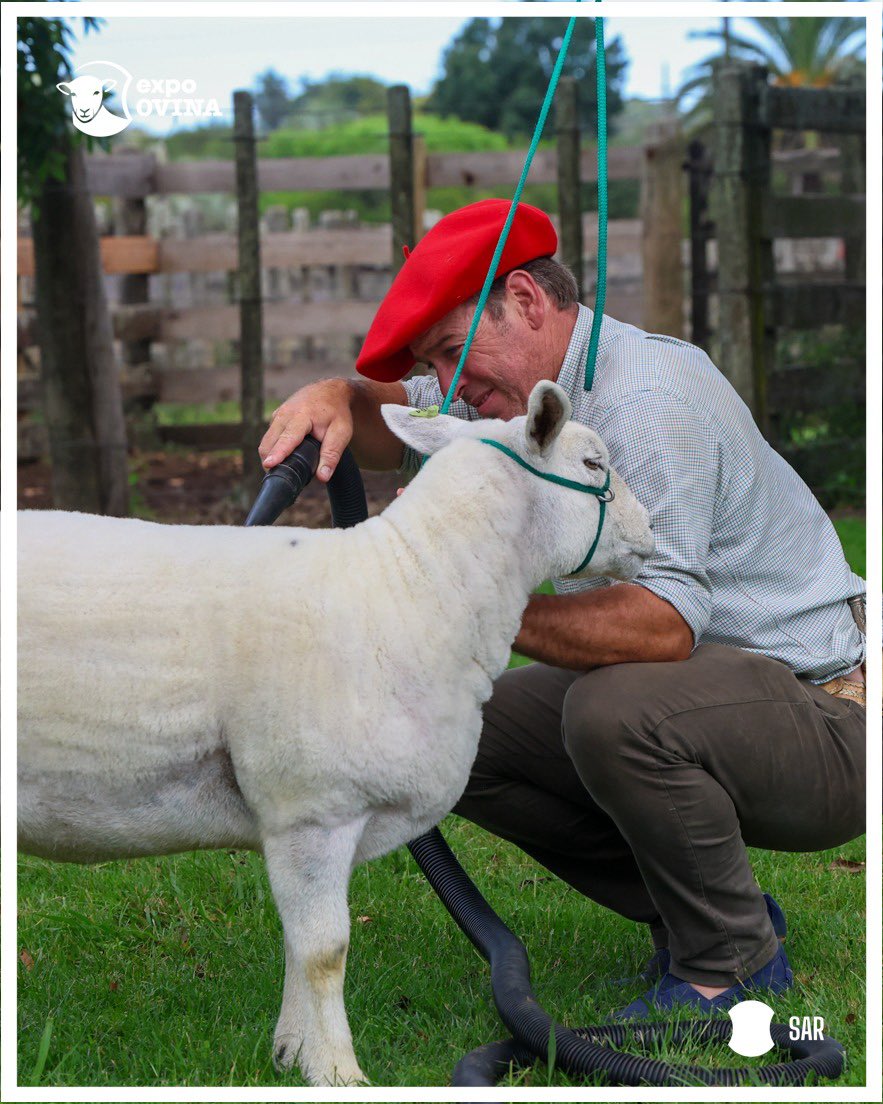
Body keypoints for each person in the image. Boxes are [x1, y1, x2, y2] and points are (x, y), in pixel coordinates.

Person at [259, 199, 866, 1016]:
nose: (447, 386)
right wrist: (336, 395)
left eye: (449, 352)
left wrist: (470, 598)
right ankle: (708, 915)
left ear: (526, 301)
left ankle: (729, 969)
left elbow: (662, 625)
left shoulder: (646, 400)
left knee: (615, 709)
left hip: (827, 715)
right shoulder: (510, 393)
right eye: (436, 365)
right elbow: (396, 418)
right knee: (444, 732)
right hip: (711, 695)